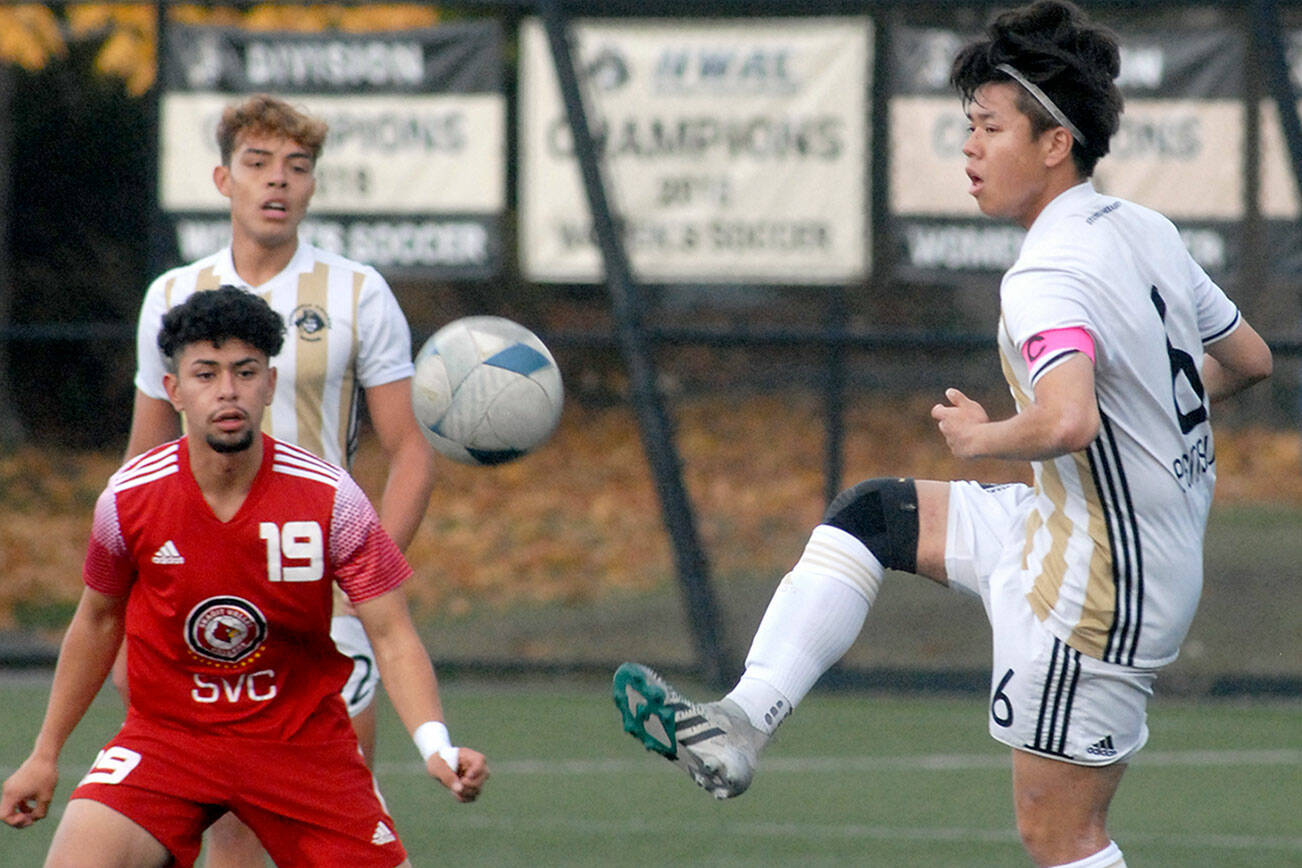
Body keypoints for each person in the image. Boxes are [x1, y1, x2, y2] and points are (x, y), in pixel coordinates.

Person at [611, 3, 1273, 867]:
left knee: (1061, 839)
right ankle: (743, 720)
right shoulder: (1143, 229)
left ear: (1054, 142)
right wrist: (1148, 415)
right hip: (1073, 534)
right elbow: (1249, 358)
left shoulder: (1046, 273)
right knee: (874, 517)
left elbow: (1068, 417)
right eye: (968, 125)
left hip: (1095, 588)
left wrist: (985, 436)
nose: (968, 147)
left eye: (989, 127)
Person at [1, 287, 486, 867]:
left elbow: (391, 632)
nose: (227, 390)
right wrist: (45, 753)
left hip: (300, 746)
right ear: (175, 390)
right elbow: (97, 620)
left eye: (245, 371)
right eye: (206, 374)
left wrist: (435, 743)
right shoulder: (128, 498)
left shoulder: (332, 498)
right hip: (169, 741)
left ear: (271, 385)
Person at [121, 93, 437, 865]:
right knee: (228, 815)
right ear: (224, 179)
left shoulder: (358, 293)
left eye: (296, 168)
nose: (278, 182)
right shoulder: (171, 295)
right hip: (202, 591)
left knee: (333, 800)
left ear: (312, 187)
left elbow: (412, 452)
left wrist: (362, 583)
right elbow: (140, 463)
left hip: (317, 588)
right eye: (259, 164)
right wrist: (138, 587)